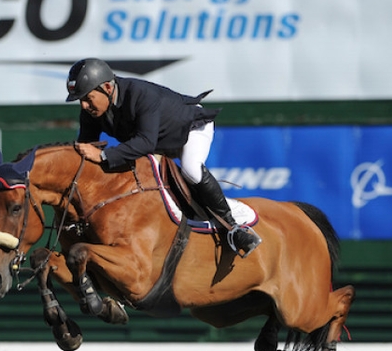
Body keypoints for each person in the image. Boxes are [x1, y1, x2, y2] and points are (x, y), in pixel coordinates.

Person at [66, 58, 261, 257]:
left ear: (107, 87)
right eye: (80, 100)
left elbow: (145, 143)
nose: (84, 105)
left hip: (188, 129)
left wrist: (104, 155)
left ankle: (234, 228)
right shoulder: (90, 112)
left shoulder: (140, 94)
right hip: (157, 142)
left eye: (88, 98)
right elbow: (87, 149)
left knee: (191, 169)